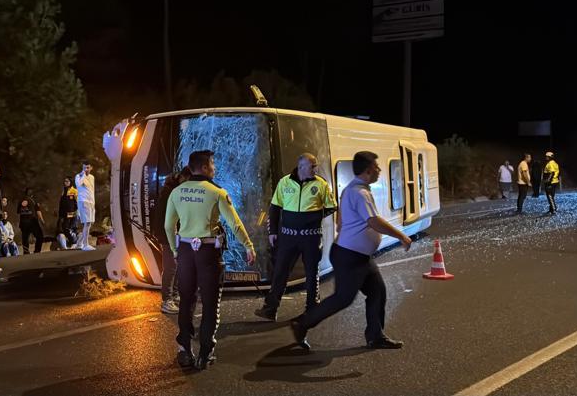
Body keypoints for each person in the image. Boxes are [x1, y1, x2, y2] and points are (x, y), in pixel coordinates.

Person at [290, 151, 412, 351]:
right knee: (343, 299)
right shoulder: (359, 193)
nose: (380, 170)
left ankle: (375, 336)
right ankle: (302, 323)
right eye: (376, 167)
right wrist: (402, 236)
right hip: (350, 256)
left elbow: (340, 220)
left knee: (377, 291)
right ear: (368, 170)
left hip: (358, 256)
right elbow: (373, 221)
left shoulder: (353, 189)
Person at [165, 150, 256, 370]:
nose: (214, 168)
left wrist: (175, 251)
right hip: (207, 253)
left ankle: (185, 350)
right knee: (210, 303)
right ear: (204, 168)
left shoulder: (177, 192)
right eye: (213, 164)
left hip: (186, 250)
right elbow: (234, 224)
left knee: (186, 300)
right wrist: (248, 246)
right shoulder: (217, 192)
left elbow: (169, 226)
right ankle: (205, 353)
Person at [255, 153, 337, 321]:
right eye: (312, 166)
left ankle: (312, 309)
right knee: (280, 272)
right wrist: (272, 232)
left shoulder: (321, 184)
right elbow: (275, 208)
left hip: (311, 238)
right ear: (301, 167)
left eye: (315, 165)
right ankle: (270, 308)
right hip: (288, 237)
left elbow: (331, 206)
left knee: (312, 272)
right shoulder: (285, 182)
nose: (316, 168)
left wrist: (312, 218)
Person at [154, 166, 192, 314]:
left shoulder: (174, 189)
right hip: (168, 234)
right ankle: (167, 300)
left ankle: (174, 295)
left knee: (176, 266)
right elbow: (168, 218)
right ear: (183, 177)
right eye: (188, 181)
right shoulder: (171, 192)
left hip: (175, 234)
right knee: (170, 267)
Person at [75, 161, 96, 251]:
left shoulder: (92, 177)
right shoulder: (78, 176)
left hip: (91, 202)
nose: (86, 169)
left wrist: (94, 203)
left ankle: (79, 243)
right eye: (84, 168)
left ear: (91, 168)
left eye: (87, 167)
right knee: (87, 223)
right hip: (83, 201)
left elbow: (91, 190)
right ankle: (85, 244)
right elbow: (78, 185)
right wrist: (83, 174)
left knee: (89, 223)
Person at [17, 188, 45, 254]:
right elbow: (38, 211)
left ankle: (26, 252)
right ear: (32, 195)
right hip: (32, 222)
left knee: (25, 238)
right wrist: (42, 220)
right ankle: (37, 251)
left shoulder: (21, 201)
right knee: (39, 236)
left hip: (23, 223)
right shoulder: (33, 200)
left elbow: (18, 212)